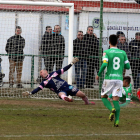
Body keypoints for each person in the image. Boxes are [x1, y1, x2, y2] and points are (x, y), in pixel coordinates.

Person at [22, 57, 95, 105]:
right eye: (40, 73)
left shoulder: (54, 73)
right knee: (61, 94)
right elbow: (38, 89)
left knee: (82, 94)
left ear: (46, 71)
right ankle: (66, 98)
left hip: (68, 87)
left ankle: (87, 103)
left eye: (41, 72)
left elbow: (64, 69)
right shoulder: (44, 82)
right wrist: (30, 93)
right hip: (61, 91)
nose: (40, 73)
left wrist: (72, 63)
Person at [96, 34, 130, 127]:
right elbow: (127, 66)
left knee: (103, 96)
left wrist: (98, 74)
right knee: (116, 100)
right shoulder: (123, 53)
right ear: (118, 42)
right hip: (119, 79)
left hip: (109, 79)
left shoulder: (106, 52)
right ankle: (117, 121)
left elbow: (104, 65)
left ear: (109, 42)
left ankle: (111, 109)